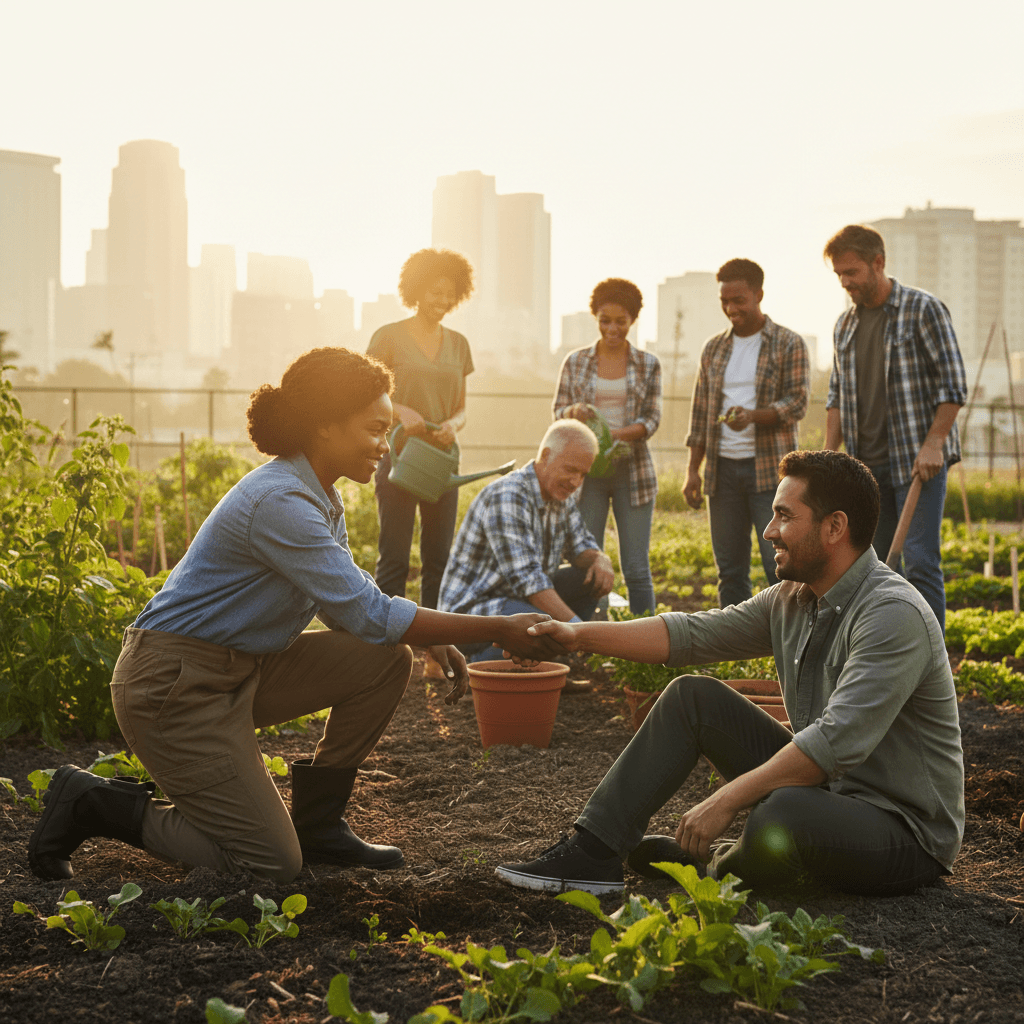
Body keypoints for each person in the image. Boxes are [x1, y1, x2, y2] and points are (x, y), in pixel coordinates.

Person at [28, 347, 564, 885]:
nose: (386, 444)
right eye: (374, 429)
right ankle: (96, 803)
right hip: (173, 688)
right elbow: (373, 612)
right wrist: (496, 627)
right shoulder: (281, 502)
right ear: (325, 427)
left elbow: (351, 612)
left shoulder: (321, 496)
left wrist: (425, 637)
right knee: (270, 862)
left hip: (243, 670)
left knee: (383, 658)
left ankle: (319, 825)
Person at [496, 450, 964, 898]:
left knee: (782, 814)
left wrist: (725, 800)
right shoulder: (793, 597)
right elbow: (690, 636)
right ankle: (592, 852)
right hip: (830, 790)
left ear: (834, 527)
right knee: (692, 698)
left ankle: (709, 865)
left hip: (904, 830)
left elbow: (835, 741)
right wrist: (576, 635)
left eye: (784, 515)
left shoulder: (891, 614)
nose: (768, 531)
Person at [823, 224, 967, 630]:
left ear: (878, 263)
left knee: (920, 562)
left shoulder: (923, 309)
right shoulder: (845, 325)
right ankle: (890, 655)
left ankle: (931, 668)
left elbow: (952, 382)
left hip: (915, 460)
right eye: (839, 275)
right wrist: (828, 455)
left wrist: (935, 442)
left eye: (851, 272)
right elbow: (836, 396)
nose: (845, 282)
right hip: (866, 467)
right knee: (878, 567)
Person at [684, 259, 810, 607]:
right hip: (722, 471)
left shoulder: (787, 343)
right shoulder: (714, 348)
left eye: (739, 300)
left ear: (759, 294)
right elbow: (700, 416)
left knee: (783, 566)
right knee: (729, 570)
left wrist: (752, 416)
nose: (731, 308)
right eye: (725, 301)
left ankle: (790, 639)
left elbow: (797, 402)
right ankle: (735, 648)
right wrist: (692, 470)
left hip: (770, 473)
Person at [439, 420, 616, 663]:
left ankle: (553, 660)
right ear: (545, 455)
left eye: (582, 475)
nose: (576, 482)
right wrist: (577, 631)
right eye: (570, 469)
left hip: (517, 603)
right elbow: (529, 582)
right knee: (540, 623)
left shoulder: (560, 497)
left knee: (588, 579)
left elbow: (580, 546)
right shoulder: (508, 495)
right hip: (472, 613)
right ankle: (474, 663)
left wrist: (600, 558)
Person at [367, 248, 474, 628]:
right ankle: (383, 640)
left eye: (449, 294)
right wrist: (399, 410)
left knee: (438, 558)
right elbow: (367, 394)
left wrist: (453, 426)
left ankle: (434, 648)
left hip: (442, 459)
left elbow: (462, 408)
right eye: (434, 292)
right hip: (399, 456)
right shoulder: (388, 337)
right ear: (415, 289)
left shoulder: (459, 344)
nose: (442, 301)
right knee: (393, 556)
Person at [554, 278, 661, 614]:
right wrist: (574, 413)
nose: (612, 328)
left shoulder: (648, 364)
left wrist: (613, 435)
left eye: (620, 321)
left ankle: (648, 647)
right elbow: (558, 411)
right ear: (595, 318)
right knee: (589, 561)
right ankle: (592, 636)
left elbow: (652, 419)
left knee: (635, 566)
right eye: (605, 320)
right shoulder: (576, 361)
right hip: (588, 474)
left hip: (633, 472)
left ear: (633, 320)